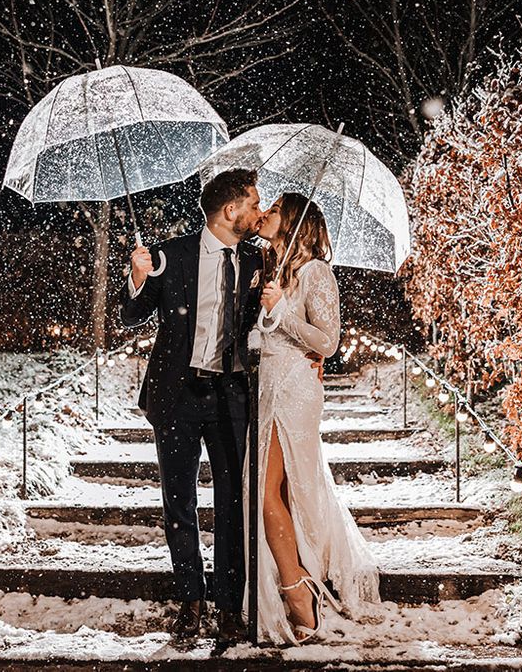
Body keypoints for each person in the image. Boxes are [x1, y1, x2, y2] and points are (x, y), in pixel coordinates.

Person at [119, 169, 266, 644]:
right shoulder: (170, 254)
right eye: (253, 203)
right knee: (178, 503)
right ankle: (191, 599)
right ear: (231, 211)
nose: (258, 211)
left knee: (232, 505)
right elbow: (130, 316)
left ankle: (227, 603)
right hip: (176, 398)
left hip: (231, 399)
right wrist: (139, 280)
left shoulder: (257, 260)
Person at [246, 192, 380, 646]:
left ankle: (297, 586)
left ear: (295, 224)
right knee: (280, 491)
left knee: (265, 492)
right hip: (268, 389)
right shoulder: (273, 271)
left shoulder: (315, 272)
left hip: (294, 391)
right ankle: (299, 576)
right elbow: (269, 334)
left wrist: (282, 311)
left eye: (274, 211)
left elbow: (327, 342)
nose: (264, 215)